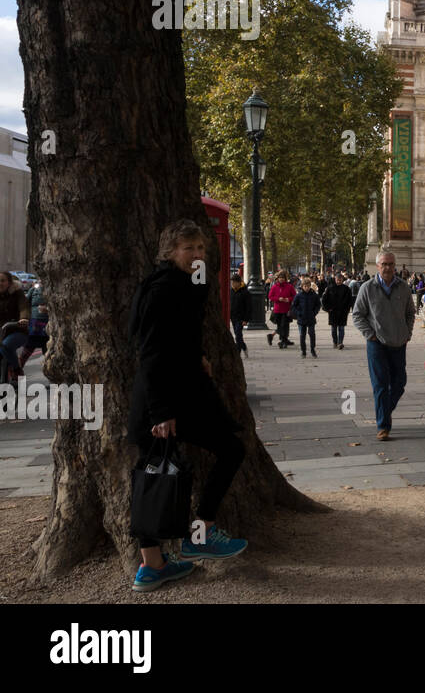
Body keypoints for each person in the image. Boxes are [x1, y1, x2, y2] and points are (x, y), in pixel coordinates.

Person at [128, 219, 248, 593]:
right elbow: (149, 351)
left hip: (175, 394)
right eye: (189, 249)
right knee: (228, 449)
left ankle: (155, 567)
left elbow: (180, 333)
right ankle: (198, 535)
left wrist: (197, 354)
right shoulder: (163, 288)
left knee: (152, 475)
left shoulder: (187, 283)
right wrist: (162, 412)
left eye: (201, 248)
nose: (198, 254)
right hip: (164, 401)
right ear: (170, 253)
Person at [352, 250, 415, 440]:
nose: (387, 267)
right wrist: (370, 335)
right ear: (377, 266)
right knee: (380, 385)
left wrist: (407, 333)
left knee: (399, 383)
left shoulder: (403, 287)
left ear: (395, 266)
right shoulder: (367, 288)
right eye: (384, 264)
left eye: (390, 264)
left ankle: (384, 411)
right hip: (377, 344)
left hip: (398, 342)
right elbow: (357, 315)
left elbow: (410, 313)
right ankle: (383, 426)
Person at [0, 271, 32, 382]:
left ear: (9, 282)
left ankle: (17, 369)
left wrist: (24, 318)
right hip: (1, 332)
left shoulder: (17, 293)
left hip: (16, 329)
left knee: (6, 346)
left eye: (3, 281)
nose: (0, 283)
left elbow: (24, 307)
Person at [321, 272, 353, 350]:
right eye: (337, 280)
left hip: (343, 312)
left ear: (342, 280)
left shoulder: (346, 289)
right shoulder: (330, 288)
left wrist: (347, 309)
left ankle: (340, 342)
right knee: (334, 329)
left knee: (341, 328)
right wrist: (327, 309)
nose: (339, 281)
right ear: (335, 279)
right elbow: (324, 299)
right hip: (333, 312)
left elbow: (350, 300)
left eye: (340, 280)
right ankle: (335, 342)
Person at [290, 278, 321, 358]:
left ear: (310, 286)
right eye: (305, 286)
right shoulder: (299, 295)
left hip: (311, 318)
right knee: (302, 335)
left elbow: (318, 305)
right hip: (302, 318)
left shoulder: (314, 295)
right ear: (302, 286)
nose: (306, 288)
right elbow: (294, 306)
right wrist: (298, 313)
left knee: (312, 334)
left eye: (308, 286)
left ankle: (312, 349)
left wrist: (314, 312)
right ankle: (303, 351)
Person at [265, 270, 295, 350]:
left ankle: (282, 340)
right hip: (277, 310)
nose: (281, 279)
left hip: (286, 310)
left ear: (285, 279)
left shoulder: (289, 286)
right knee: (281, 326)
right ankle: (283, 341)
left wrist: (288, 299)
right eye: (280, 278)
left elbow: (294, 296)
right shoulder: (275, 287)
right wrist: (278, 299)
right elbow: (270, 296)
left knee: (285, 326)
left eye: (283, 278)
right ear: (277, 279)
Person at [230, 275, 252, 358]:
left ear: (239, 282)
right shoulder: (231, 291)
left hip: (241, 317)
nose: (232, 284)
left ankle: (237, 353)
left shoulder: (245, 292)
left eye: (234, 282)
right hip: (233, 317)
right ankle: (244, 347)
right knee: (237, 335)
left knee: (238, 335)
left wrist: (246, 319)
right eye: (232, 282)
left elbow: (249, 307)